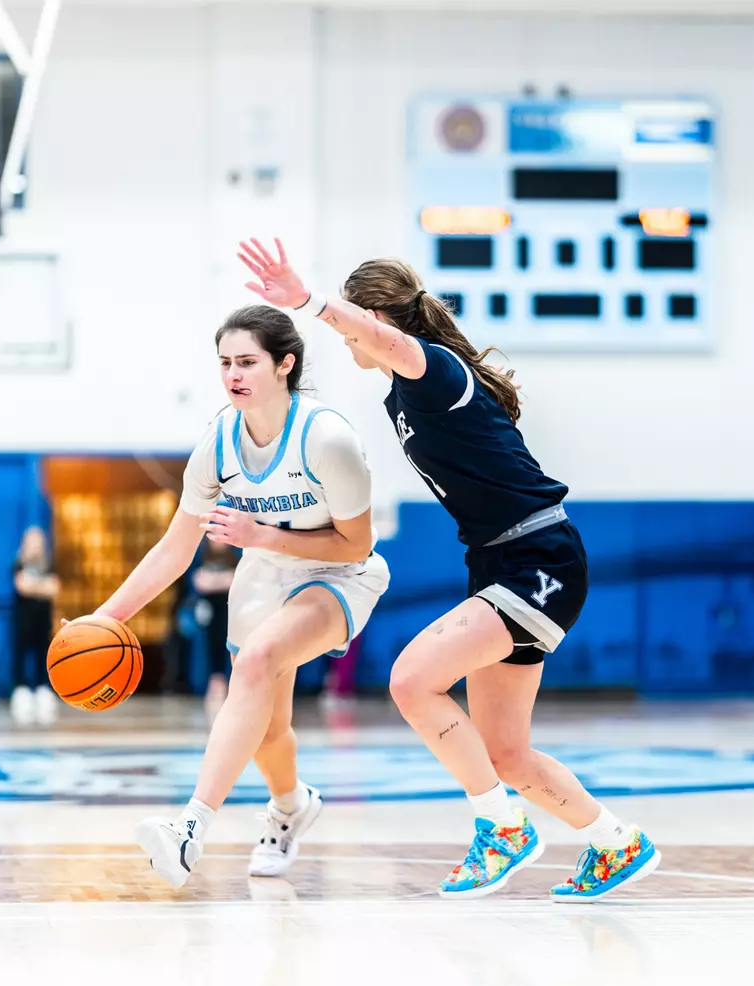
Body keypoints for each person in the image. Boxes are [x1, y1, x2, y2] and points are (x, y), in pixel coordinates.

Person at [237, 237, 660, 902]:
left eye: (353, 322)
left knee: (411, 680)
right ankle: (616, 842)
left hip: (537, 558)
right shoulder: (403, 394)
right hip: (497, 562)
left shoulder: (431, 368)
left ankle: (500, 828)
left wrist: (306, 300)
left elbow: (387, 342)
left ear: (377, 319)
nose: (344, 339)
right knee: (505, 754)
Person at [80, 305, 389, 882]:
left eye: (247, 362)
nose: (233, 375)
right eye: (225, 363)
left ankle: (188, 830)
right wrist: (102, 619)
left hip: (339, 572)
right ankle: (291, 806)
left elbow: (356, 544)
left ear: (285, 365)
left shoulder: (328, 440)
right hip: (265, 571)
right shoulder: (217, 443)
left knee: (255, 662)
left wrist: (261, 535)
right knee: (268, 730)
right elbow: (175, 549)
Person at [11, 526, 60, 725]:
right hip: (23, 622)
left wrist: (34, 585)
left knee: (43, 657)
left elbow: (54, 587)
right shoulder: (18, 562)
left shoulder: (49, 563)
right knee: (21, 656)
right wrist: (41, 586)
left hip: (43, 621)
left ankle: (42, 690)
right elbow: (22, 586)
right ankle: (21, 691)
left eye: (38, 541)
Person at [191, 542, 238, 704]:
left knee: (230, 643)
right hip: (208, 608)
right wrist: (222, 580)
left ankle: (229, 682)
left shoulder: (237, 553)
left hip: (230, 606)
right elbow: (199, 581)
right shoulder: (200, 553)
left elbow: (235, 579)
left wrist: (214, 580)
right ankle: (214, 682)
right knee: (211, 643)